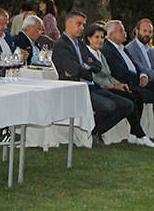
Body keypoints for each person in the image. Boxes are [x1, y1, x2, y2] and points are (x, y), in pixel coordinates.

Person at [51, 11, 133, 146]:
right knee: (109, 106)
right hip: (76, 89)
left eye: (83, 24)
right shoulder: (61, 45)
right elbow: (75, 70)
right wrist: (86, 67)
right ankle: (92, 133)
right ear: (68, 23)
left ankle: (95, 131)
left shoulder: (81, 44)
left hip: (91, 86)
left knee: (127, 105)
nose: (82, 27)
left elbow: (97, 65)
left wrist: (85, 67)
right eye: (79, 24)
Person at [84, 22, 154, 147]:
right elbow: (94, 77)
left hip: (107, 87)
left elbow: (109, 75)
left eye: (101, 37)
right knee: (128, 99)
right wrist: (111, 86)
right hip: (96, 89)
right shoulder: (86, 55)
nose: (100, 40)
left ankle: (133, 133)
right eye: (97, 37)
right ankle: (138, 134)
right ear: (89, 38)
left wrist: (117, 84)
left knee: (131, 100)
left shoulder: (101, 54)